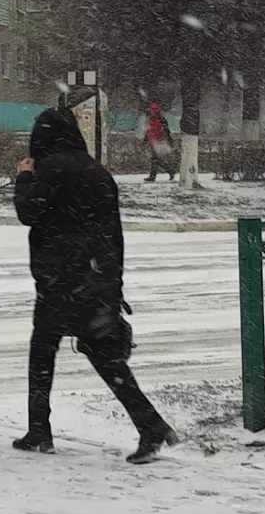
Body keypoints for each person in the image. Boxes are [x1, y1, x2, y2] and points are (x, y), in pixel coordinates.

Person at [12, 104, 178, 463]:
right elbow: (112, 232)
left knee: (43, 350)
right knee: (105, 356)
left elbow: (29, 212)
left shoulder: (49, 170)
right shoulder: (97, 172)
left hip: (59, 279)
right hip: (96, 276)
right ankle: (151, 425)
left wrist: (24, 177)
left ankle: (39, 430)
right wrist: (112, 280)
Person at [144, 101, 175, 182]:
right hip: (152, 141)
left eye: (151, 110)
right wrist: (146, 138)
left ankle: (169, 171)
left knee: (155, 159)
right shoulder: (151, 119)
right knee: (155, 159)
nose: (150, 112)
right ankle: (168, 171)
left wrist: (168, 140)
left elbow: (166, 131)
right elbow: (149, 130)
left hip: (159, 142)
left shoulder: (161, 120)